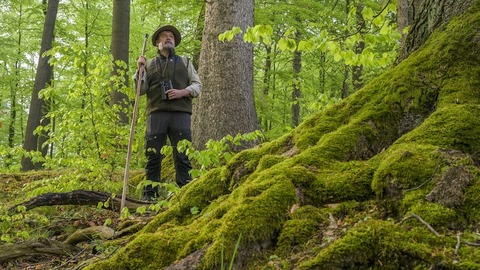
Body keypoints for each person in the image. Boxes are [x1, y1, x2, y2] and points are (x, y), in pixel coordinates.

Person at [134, 25, 202, 201]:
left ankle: (185, 192)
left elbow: (197, 85)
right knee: (152, 154)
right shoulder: (148, 65)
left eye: (171, 36)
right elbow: (140, 90)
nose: (168, 38)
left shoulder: (185, 62)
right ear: (158, 42)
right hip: (156, 114)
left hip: (181, 114)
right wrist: (139, 70)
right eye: (164, 36)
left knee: (183, 155)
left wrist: (182, 92)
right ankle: (150, 195)